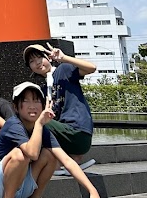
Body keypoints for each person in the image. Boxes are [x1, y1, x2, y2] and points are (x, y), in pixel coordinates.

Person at [0, 81, 103, 198]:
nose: (32, 105)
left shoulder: (43, 131)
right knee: (21, 154)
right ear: (16, 107)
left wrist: (92, 190)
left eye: (36, 100)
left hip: (20, 186)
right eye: (26, 101)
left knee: (50, 154)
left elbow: (67, 161)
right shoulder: (13, 125)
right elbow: (32, 153)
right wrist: (40, 123)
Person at [23, 42, 96, 172]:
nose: (37, 63)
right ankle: (68, 161)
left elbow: (92, 68)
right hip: (64, 137)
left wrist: (64, 58)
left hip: (78, 131)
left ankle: (59, 164)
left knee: (37, 123)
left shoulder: (63, 70)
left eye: (40, 57)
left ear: (49, 57)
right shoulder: (43, 90)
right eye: (32, 61)